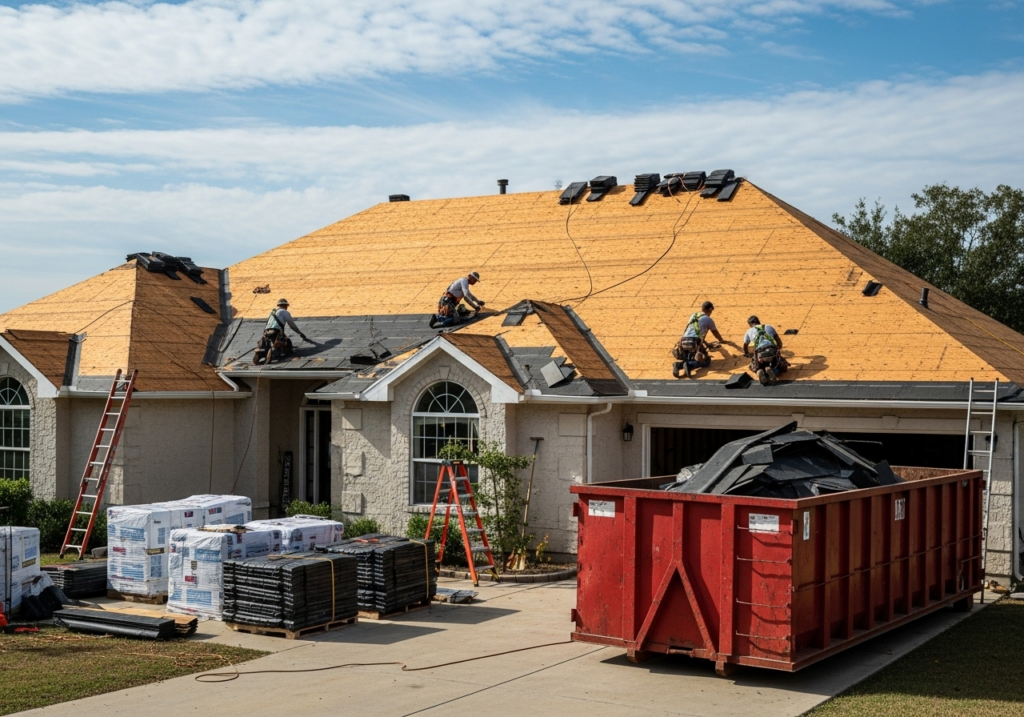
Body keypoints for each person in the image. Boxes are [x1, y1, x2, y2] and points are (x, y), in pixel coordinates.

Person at [672, 301, 726, 378]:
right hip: (694, 342)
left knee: (690, 357)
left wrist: (707, 344)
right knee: (706, 361)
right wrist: (721, 340)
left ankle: (678, 365)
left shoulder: (693, 316)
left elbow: (695, 331)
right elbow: (715, 332)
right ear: (710, 309)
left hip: (683, 341)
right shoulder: (708, 319)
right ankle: (689, 365)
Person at [743, 315, 788, 386]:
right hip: (771, 350)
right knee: (781, 367)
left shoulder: (749, 331)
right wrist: (779, 348)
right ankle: (771, 369)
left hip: (759, 352)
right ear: (759, 321)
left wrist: (746, 353)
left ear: (750, 324)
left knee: (753, 366)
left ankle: (759, 371)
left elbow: (745, 344)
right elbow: (778, 340)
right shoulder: (769, 327)